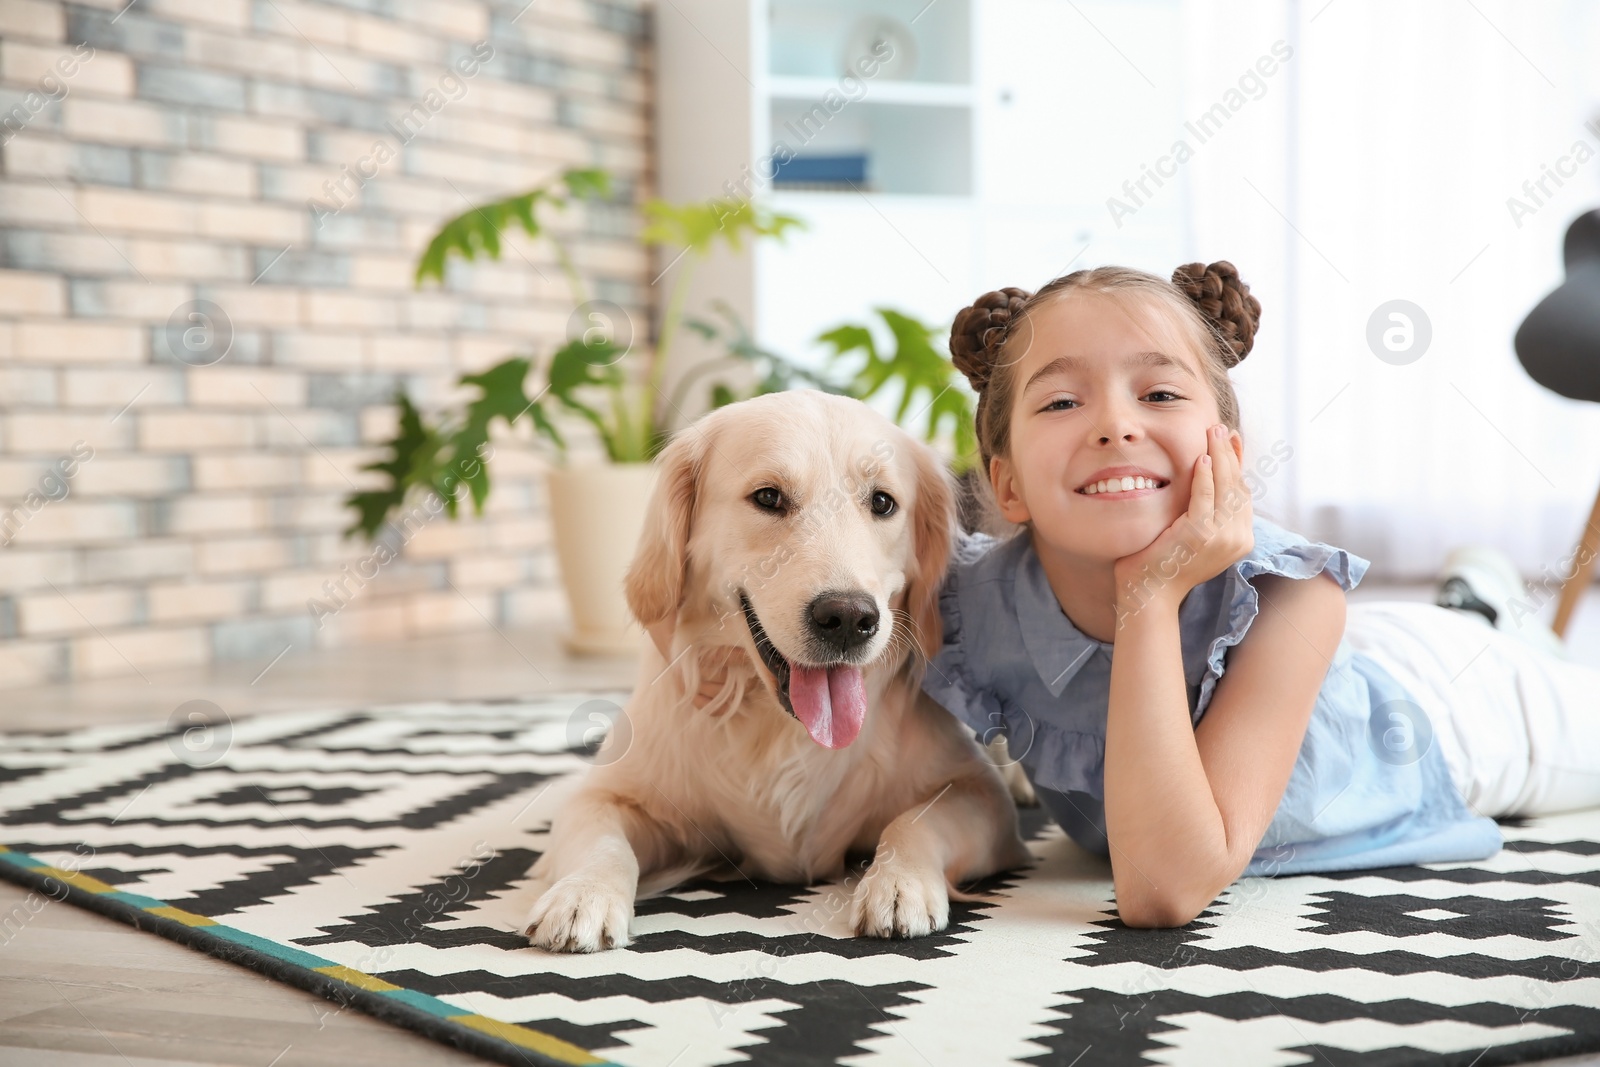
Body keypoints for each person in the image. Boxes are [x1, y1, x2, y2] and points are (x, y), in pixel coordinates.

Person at [925, 261, 1600, 927]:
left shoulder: (1293, 597)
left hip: (1455, 710)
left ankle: (1480, 617)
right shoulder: (965, 604)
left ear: (1228, 456)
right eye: (1062, 401)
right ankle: (1477, 599)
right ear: (1006, 483)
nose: (1116, 426)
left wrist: (1150, 597)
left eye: (1159, 394)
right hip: (1347, 656)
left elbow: (1162, 889)